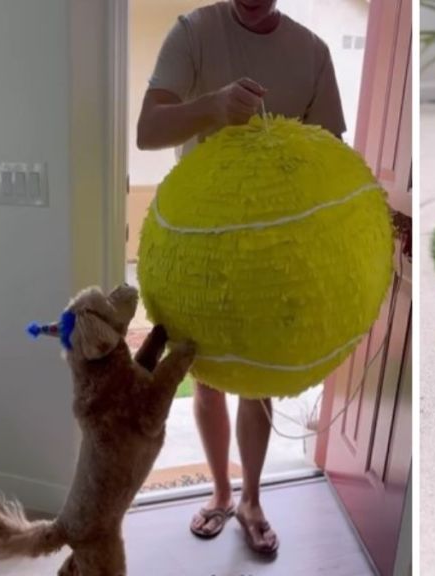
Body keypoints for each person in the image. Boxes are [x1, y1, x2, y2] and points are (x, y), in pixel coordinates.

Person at [136, 0, 346, 555]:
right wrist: (211, 108)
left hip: (274, 249)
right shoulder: (193, 33)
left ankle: (251, 498)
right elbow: (147, 130)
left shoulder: (312, 51)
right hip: (198, 249)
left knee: (259, 376)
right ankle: (222, 493)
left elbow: (332, 157)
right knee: (204, 375)